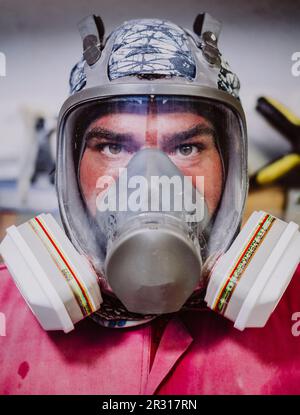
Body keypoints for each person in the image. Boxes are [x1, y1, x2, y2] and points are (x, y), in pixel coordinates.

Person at [0, 14, 300, 395]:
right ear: (71, 169)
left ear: (231, 167)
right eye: (113, 147)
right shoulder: (5, 309)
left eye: (186, 147)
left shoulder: (294, 305)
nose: (151, 179)